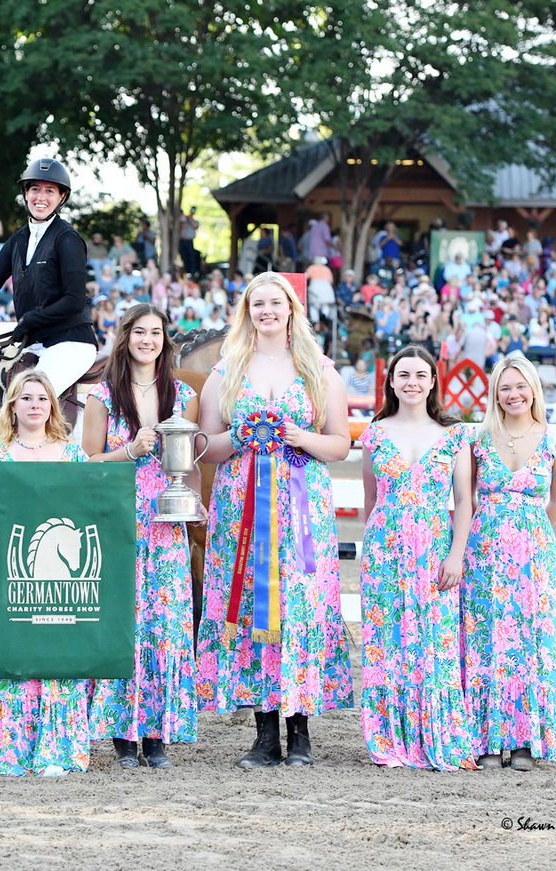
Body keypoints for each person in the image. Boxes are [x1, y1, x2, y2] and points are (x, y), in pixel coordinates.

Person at [195, 271, 354, 768]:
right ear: (248, 311)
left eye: (275, 302)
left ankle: (300, 729)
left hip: (300, 512)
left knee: (298, 611)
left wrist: (297, 436)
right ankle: (265, 732)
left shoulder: (318, 370)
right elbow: (205, 448)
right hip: (241, 514)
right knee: (251, 610)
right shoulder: (226, 373)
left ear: (291, 309)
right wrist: (243, 437)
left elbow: (340, 444)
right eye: (257, 303)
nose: (266, 310)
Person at [83, 305, 199, 769]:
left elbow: (187, 464)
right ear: (125, 336)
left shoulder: (183, 395)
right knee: (124, 622)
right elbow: (87, 460)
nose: (147, 340)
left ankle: (157, 733)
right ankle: (121, 734)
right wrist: (127, 452)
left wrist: (192, 505)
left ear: (165, 339)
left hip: (166, 523)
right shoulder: (102, 396)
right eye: (139, 332)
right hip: (119, 519)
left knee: (166, 625)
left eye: (156, 333)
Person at [0, 370, 93, 776]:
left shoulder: (74, 457)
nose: (35, 405)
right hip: (5, 577)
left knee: (56, 655)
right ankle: (0, 750)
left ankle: (57, 750)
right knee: (7, 650)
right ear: (12, 406)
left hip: (60, 586)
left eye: (42, 398)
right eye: (26, 398)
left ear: (52, 406)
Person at [358, 346, 475, 770]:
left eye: (420, 375)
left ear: (432, 382)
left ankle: (435, 734)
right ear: (391, 381)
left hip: (434, 548)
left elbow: (463, 501)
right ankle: (389, 738)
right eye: (403, 374)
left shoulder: (455, 434)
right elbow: (370, 501)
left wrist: (456, 555)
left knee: (433, 644)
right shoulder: (374, 432)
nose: (411, 382)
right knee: (387, 643)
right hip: (385, 551)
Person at [461, 356, 556, 771]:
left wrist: (528, 530)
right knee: (484, 638)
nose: (514, 395)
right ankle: (486, 738)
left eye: (521, 386)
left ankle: (524, 740)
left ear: (534, 390)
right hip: (483, 550)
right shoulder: (478, 437)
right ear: (494, 393)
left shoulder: (553, 438)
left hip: (532, 554)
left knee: (528, 640)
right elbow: (465, 496)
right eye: (505, 388)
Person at [0, 158, 98, 399]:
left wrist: (31, 320)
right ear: (26, 193)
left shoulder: (67, 239)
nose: (41, 197)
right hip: (35, 339)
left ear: (62, 198)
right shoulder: (17, 240)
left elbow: (74, 300)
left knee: (30, 397)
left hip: (70, 342)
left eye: (50, 191)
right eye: (35, 189)